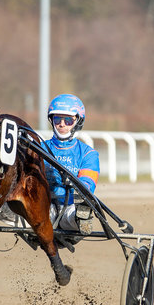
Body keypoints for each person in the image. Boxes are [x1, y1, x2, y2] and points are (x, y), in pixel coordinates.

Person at [43, 94, 100, 235]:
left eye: (68, 120)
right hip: (42, 205)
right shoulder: (39, 148)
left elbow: (87, 184)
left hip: (69, 207)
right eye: (57, 119)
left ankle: (81, 218)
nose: (62, 124)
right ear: (51, 120)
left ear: (78, 122)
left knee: (75, 212)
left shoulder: (88, 154)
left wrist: (75, 185)